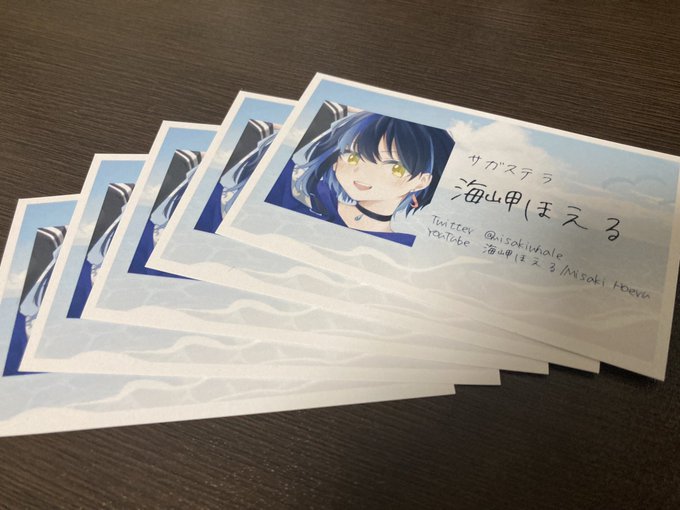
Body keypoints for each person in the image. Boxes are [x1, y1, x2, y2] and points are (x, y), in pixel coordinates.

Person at [265, 107, 455, 247]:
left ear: (422, 181)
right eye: (352, 156)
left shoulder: (403, 245)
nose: (363, 173)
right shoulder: (309, 197)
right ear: (335, 159)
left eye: (395, 167)